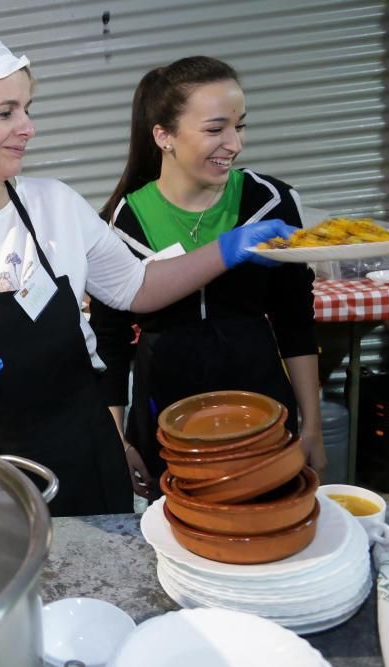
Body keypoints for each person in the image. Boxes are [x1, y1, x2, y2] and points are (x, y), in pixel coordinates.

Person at [0, 34, 296, 517]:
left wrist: (227, 249)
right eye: (6, 113)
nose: (28, 127)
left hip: (82, 451)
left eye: (26, 108)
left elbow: (138, 287)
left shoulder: (56, 204)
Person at [90, 56, 325, 498]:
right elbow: (110, 342)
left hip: (261, 399)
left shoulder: (269, 201)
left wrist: (312, 425)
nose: (234, 144)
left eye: (241, 126)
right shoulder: (123, 222)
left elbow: (296, 320)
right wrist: (115, 440)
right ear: (164, 136)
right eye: (216, 130)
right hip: (166, 408)